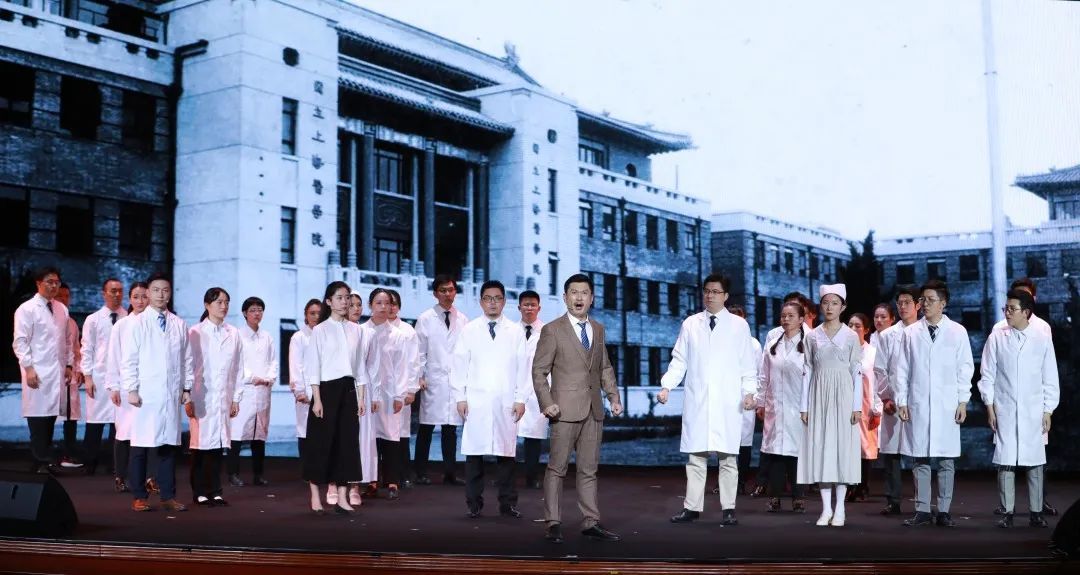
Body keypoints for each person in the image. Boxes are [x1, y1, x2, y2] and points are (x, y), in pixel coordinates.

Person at [659, 274, 758, 526]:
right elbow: (679, 360)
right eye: (707, 291)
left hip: (727, 401)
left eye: (715, 291)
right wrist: (667, 386)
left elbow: (747, 364)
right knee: (696, 458)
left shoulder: (738, 326)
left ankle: (729, 508)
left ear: (726, 296)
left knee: (728, 458)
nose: (710, 295)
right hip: (699, 399)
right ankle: (691, 508)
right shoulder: (691, 324)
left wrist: (749, 392)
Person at [532, 273, 624, 543]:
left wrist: (614, 397)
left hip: (593, 410)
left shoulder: (598, 329)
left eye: (584, 292)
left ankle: (590, 522)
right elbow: (539, 371)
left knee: (588, 470)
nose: (579, 297)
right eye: (574, 292)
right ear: (565, 297)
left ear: (592, 298)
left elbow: (604, 367)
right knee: (556, 469)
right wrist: (547, 403)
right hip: (562, 411)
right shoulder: (552, 330)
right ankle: (553, 523)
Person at [895, 279, 974, 528]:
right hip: (918, 402)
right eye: (923, 300)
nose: (925, 304)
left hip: (947, 404)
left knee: (946, 460)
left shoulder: (957, 332)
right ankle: (922, 510)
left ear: (943, 303)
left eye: (931, 300)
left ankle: (944, 510)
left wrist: (963, 401)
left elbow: (965, 368)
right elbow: (901, 369)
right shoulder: (910, 333)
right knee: (920, 458)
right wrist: (901, 400)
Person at [978, 289, 1059, 528]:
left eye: (1012, 309)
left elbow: (1050, 377)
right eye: (1006, 308)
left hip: (1033, 410)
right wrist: (990, 407)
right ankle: (1007, 512)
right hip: (1004, 408)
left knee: (1035, 462)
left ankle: (1036, 512)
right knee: (1006, 461)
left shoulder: (1041, 337)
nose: (1007, 313)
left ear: (1026, 312)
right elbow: (987, 375)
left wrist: (1048, 410)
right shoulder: (997, 337)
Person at [452, 280, 530, 518]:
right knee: (474, 455)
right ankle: (473, 504)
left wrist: (521, 398)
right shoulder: (469, 330)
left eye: (497, 298)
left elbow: (524, 368)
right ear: (481, 302)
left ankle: (508, 503)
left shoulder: (515, 332)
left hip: (505, 400)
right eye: (488, 298)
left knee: (506, 455)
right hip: (476, 400)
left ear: (504, 302)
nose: (493, 303)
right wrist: (460, 397)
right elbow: (459, 366)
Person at [120, 272, 194, 512]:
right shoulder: (138, 323)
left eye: (165, 290)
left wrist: (186, 387)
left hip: (171, 393)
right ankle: (139, 496)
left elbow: (187, 359)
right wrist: (131, 389)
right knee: (140, 446)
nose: (161, 295)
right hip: (146, 393)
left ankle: (167, 496)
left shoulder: (179, 324)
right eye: (156, 290)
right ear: (149, 293)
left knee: (168, 446)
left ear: (170, 294)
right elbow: (129, 360)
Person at [797, 284, 863, 528]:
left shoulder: (851, 336)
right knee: (821, 449)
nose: (829, 307)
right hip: (818, 396)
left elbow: (856, 372)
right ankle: (825, 509)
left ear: (843, 307)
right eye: (825, 302)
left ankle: (841, 508)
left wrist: (857, 406)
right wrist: (804, 406)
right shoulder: (812, 336)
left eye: (834, 303)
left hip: (844, 396)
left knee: (842, 451)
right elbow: (807, 371)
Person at [302, 281, 368, 514]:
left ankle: (342, 497)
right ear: (328, 301)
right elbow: (313, 366)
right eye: (339, 297)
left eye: (347, 297)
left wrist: (361, 397)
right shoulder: (320, 330)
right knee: (321, 443)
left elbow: (360, 367)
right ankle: (315, 495)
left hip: (349, 390)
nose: (345, 302)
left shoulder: (357, 330)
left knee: (347, 445)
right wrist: (317, 398)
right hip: (326, 391)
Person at [751, 291, 814, 498]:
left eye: (791, 316)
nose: (786, 319)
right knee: (775, 452)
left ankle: (798, 497)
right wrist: (760, 402)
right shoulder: (772, 345)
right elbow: (763, 377)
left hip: (799, 406)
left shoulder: (810, 344)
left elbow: (815, 378)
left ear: (801, 319)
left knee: (797, 454)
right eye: (783, 316)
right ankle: (775, 497)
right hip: (776, 406)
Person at [13, 266, 73, 475]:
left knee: (49, 418)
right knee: (38, 419)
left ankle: (43, 464)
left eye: (57, 282)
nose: (54, 286)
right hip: (37, 372)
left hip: (56, 372)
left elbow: (67, 340)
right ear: (39, 283)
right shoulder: (26, 309)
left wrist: (69, 365)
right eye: (50, 282)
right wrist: (28, 368)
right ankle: (41, 461)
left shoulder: (61, 309)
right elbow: (20, 342)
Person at [186, 287, 243, 507]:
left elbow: (238, 367)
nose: (223, 306)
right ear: (207, 305)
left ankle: (216, 491)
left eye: (226, 302)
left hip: (223, 396)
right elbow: (188, 366)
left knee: (218, 444)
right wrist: (187, 396)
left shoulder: (233, 333)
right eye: (219, 302)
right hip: (201, 396)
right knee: (200, 445)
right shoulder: (195, 332)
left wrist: (236, 398)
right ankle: (199, 491)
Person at [414, 274, 468, 485]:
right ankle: (420, 471)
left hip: (454, 380)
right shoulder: (425, 318)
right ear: (435, 293)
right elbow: (419, 351)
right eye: (443, 290)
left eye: (451, 290)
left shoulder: (462, 319)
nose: (448, 294)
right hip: (432, 379)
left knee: (450, 428)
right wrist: (420, 376)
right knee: (426, 427)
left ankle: (450, 473)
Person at [872, 286, 921, 515]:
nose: (902, 307)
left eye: (907, 302)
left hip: (919, 401)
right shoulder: (887, 335)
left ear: (918, 305)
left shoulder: (925, 332)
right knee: (892, 453)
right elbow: (880, 369)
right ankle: (893, 500)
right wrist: (885, 398)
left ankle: (922, 501)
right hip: (893, 401)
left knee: (920, 453)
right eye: (899, 303)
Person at [105, 282, 150, 493]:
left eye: (144, 296)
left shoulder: (154, 324)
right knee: (124, 432)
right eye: (136, 297)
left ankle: (145, 477)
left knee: (146, 433)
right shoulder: (121, 325)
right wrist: (114, 386)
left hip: (149, 386)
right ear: (130, 299)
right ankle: (120, 476)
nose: (140, 301)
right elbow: (113, 357)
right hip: (126, 386)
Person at [79, 278, 126, 477]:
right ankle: (90, 461)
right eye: (113, 291)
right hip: (99, 376)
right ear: (104, 293)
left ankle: (115, 463)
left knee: (119, 424)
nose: (117, 294)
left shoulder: (128, 317)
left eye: (120, 291)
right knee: (95, 422)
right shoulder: (93, 319)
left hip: (121, 378)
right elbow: (86, 349)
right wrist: (87, 377)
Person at [228, 297, 277, 487]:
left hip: (263, 390)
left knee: (260, 433)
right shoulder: (238, 335)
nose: (257, 314)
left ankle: (258, 474)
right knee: (237, 434)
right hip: (245, 389)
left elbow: (273, 361)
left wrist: (269, 377)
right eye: (253, 310)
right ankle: (233, 473)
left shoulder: (267, 336)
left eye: (260, 310)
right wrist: (252, 377)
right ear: (244, 313)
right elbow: (237, 363)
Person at [368, 288, 411, 501]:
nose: (383, 307)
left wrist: (399, 395)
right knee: (369, 437)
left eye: (387, 303)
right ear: (370, 305)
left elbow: (402, 368)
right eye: (379, 303)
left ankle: (392, 481)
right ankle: (371, 480)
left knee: (391, 436)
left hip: (389, 393)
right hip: (367, 393)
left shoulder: (398, 336)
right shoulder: (361, 332)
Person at [388, 289, 421, 491]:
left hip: (401, 391)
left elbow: (414, 362)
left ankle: (403, 475)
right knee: (381, 436)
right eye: (387, 303)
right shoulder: (375, 328)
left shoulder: (408, 331)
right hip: (381, 392)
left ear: (399, 306)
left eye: (394, 303)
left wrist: (411, 390)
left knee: (401, 434)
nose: (390, 307)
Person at [846, 312, 881, 502]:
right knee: (847, 447)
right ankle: (849, 486)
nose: (853, 329)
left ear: (866, 330)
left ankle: (862, 487)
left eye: (857, 326)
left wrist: (877, 409)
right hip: (845, 406)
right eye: (850, 325)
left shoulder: (873, 353)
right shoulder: (842, 352)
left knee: (864, 448)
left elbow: (879, 383)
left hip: (866, 406)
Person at [516, 290, 548, 489]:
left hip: (537, 391)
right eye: (525, 305)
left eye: (532, 305)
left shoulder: (548, 332)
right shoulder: (510, 331)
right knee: (507, 435)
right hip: (513, 389)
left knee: (533, 437)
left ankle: (532, 477)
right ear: (519, 307)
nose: (529, 308)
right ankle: (505, 477)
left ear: (539, 308)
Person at [55, 283, 85, 468]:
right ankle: (45, 457)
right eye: (60, 296)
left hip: (70, 374)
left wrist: (79, 369)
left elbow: (76, 349)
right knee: (49, 416)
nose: (64, 299)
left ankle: (69, 454)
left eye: (67, 296)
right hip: (52, 374)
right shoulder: (50, 320)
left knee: (70, 417)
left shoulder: (72, 323)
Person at [290, 299, 322, 461]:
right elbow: (296, 365)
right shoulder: (299, 337)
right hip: (306, 394)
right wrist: (300, 391)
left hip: (324, 391)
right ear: (306, 315)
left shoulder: (326, 336)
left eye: (319, 313)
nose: (316, 316)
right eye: (312, 313)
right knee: (305, 431)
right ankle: (306, 468)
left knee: (323, 433)